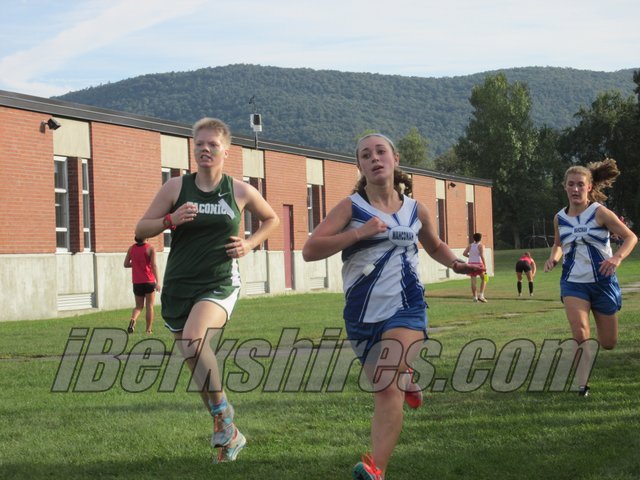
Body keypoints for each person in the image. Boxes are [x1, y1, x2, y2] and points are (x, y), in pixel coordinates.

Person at [302, 133, 480, 480]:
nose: (374, 158)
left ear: (395, 159)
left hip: (407, 307)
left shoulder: (416, 209)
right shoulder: (351, 207)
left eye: (380, 152)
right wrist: (360, 233)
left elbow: (434, 245)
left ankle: (376, 469)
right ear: (359, 165)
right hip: (361, 314)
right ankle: (407, 375)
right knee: (388, 384)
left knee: (385, 384)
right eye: (366, 155)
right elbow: (311, 250)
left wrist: (457, 264)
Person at [135, 117, 279, 462]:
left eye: (212, 144)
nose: (205, 149)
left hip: (219, 281)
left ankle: (224, 416)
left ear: (226, 151)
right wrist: (170, 220)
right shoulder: (176, 188)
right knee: (196, 363)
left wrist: (249, 243)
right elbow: (140, 229)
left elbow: (271, 219)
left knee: (193, 339)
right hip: (179, 286)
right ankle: (229, 435)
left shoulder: (239, 191)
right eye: (199, 143)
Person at [543, 159, 637, 397]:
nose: (575, 189)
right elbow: (558, 244)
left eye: (580, 184)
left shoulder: (600, 212)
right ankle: (582, 386)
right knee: (580, 331)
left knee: (608, 342)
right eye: (571, 184)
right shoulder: (559, 218)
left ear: (589, 187)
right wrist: (553, 258)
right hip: (573, 284)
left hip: (603, 283)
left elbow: (631, 237)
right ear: (564, 186)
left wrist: (617, 258)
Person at [123, 236, 161, 334]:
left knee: (138, 306)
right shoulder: (151, 248)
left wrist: (136, 264)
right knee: (149, 306)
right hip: (149, 281)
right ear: (146, 237)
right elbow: (154, 265)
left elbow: (126, 264)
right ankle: (148, 330)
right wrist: (158, 282)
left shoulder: (131, 248)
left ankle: (133, 319)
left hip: (137, 282)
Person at [462, 232, 488, 302]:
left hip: (471, 264)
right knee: (484, 279)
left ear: (474, 238)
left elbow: (464, 253)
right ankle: (481, 295)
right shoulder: (481, 245)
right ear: (480, 238)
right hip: (478, 264)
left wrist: (470, 257)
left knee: (473, 281)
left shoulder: (470, 245)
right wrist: (485, 266)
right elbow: (482, 256)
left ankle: (475, 297)